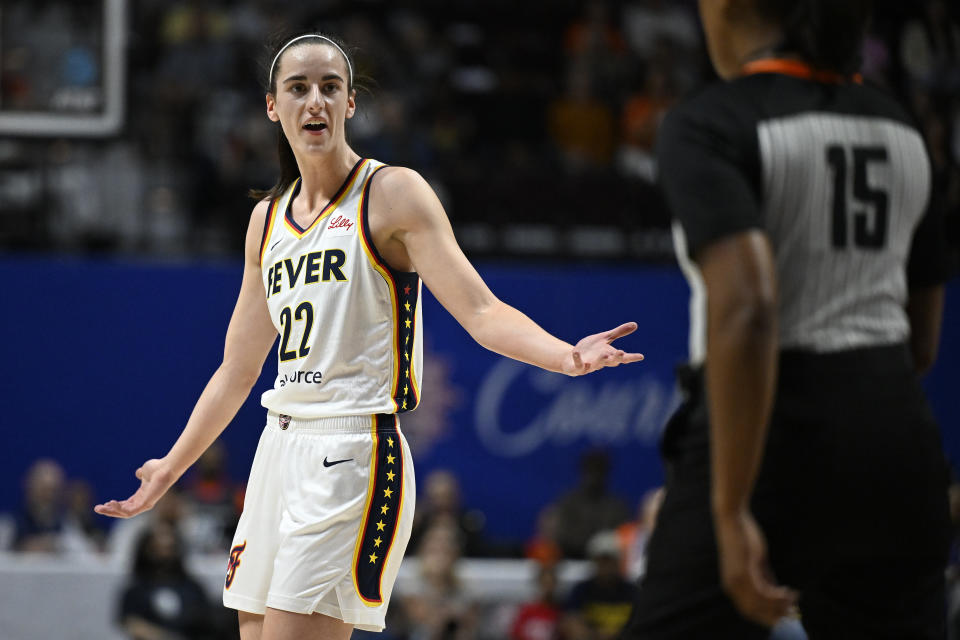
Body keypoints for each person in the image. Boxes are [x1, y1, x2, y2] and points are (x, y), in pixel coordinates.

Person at [95, 31, 643, 640]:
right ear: (272, 107)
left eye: (331, 88)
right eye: (298, 89)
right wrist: (172, 467)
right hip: (277, 452)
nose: (315, 102)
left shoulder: (393, 194)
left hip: (352, 451)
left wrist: (566, 356)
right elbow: (237, 370)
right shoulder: (266, 221)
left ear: (351, 104)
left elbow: (483, 313)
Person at [620, 1, 952, 638]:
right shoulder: (901, 124)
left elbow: (748, 308)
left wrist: (731, 507)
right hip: (898, 440)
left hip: (765, 436)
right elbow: (922, 338)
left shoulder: (711, 122)